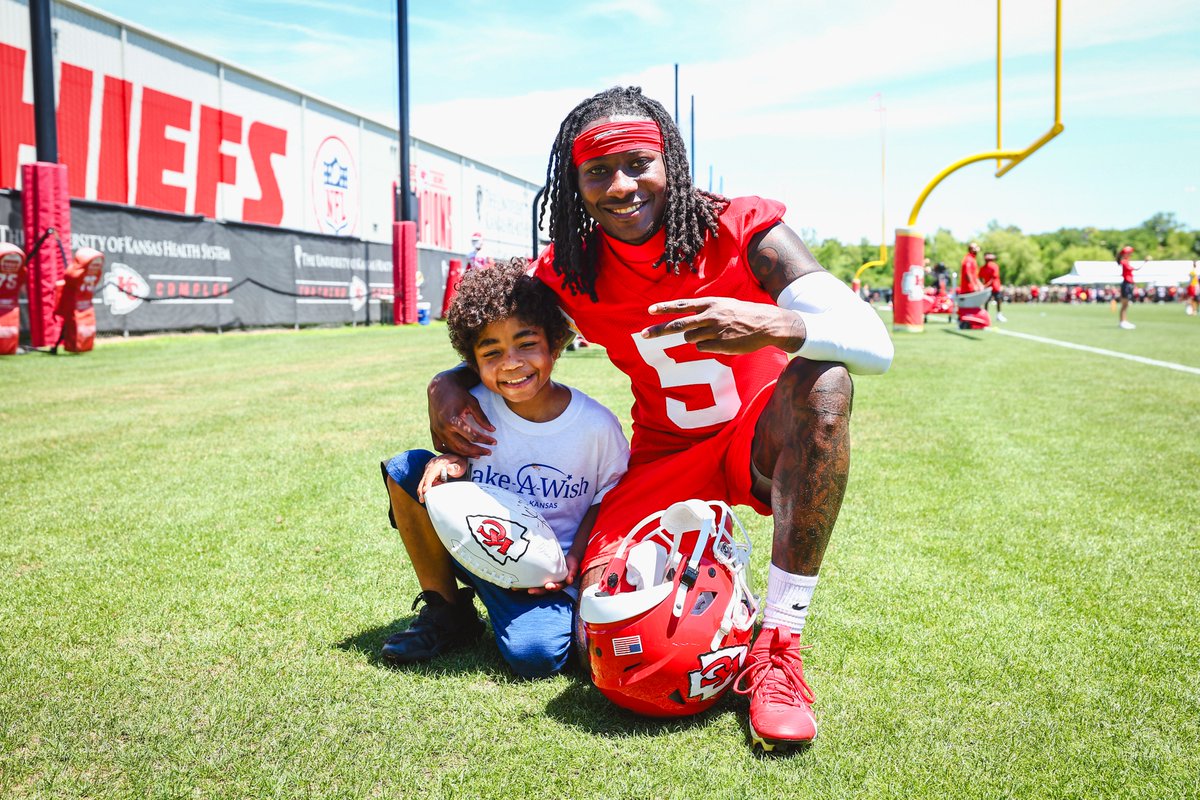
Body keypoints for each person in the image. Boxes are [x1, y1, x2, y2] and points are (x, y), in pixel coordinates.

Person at [427, 86, 893, 750]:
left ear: (670, 161)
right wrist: (446, 382)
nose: (621, 186)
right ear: (575, 184)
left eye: (638, 163)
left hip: (759, 440)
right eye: (597, 172)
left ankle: (779, 647)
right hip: (666, 459)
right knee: (605, 647)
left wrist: (776, 323)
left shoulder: (740, 227)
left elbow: (874, 344)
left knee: (826, 382)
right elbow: (501, 333)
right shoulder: (570, 269)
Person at [379, 259, 629, 678]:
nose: (510, 363)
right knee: (408, 468)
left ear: (556, 343)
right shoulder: (472, 405)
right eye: (491, 352)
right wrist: (450, 462)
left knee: (536, 657)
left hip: (544, 571)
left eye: (526, 344)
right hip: (475, 543)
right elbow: (461, 471)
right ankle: (447, 612)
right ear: (471, 361)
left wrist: (574, 558)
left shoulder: (596, 426)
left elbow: (608, 500)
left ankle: (516, 614)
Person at [978, 252, 1006, 322]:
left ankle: (999, 315)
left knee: (998, 300)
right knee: (986, 301)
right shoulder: (983, 268)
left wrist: (984, 285)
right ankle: (986, 315)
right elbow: (980, 277)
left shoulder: (994, 266)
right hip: (988, 288)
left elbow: (993, 278)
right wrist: (982, 285)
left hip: (995, 286)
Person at [1117, 245, 1139, 329]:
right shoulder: (1124, 261)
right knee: (1124, 304)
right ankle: (1122, 321)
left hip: (1129, 284)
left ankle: (1124, 321)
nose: (1130, 255)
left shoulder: (1126, 261)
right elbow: (1133, 268)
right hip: (1126, 284)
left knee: (1126, 305)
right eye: (1129, 253)